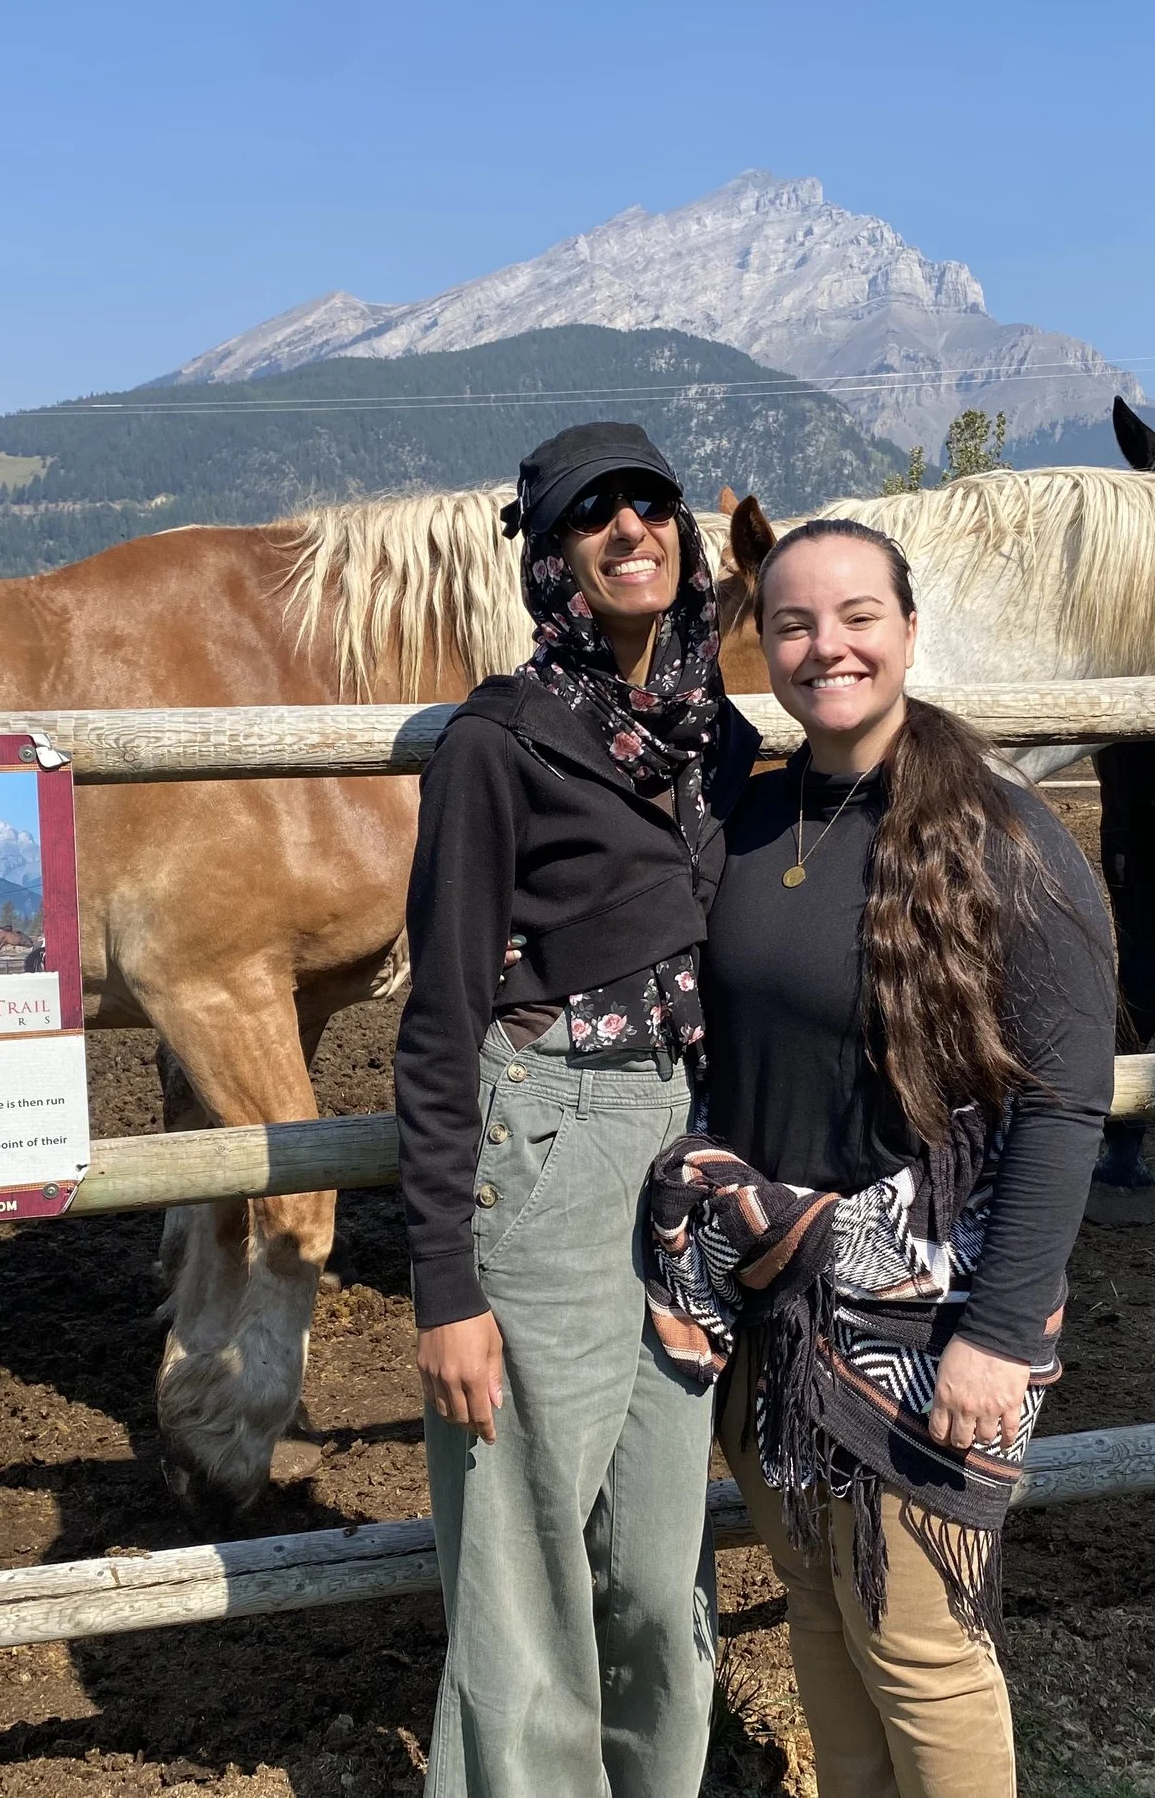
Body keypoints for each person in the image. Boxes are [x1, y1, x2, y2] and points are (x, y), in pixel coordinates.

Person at [650, 516, 1115, 1798]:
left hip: (922, 1317)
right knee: (815, 1602)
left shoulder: (1003, 840)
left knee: (919, 1646)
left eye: (858, 616)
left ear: (908, 630)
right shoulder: (744, 817)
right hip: (766, 1296)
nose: (826, 646)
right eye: (793, 622)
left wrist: (999, 1332)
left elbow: (1067, 1104)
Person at [395, 422, 758, 1798]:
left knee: (662, 1563)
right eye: (593, 515)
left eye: (651, 505)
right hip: (548, 1135)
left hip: (684, 1144)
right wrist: (444, 1285)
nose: (630, 531)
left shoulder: (716, 739)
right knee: (525, 1549)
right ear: (552, 556)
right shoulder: (501, 741)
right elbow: (438, 1020)